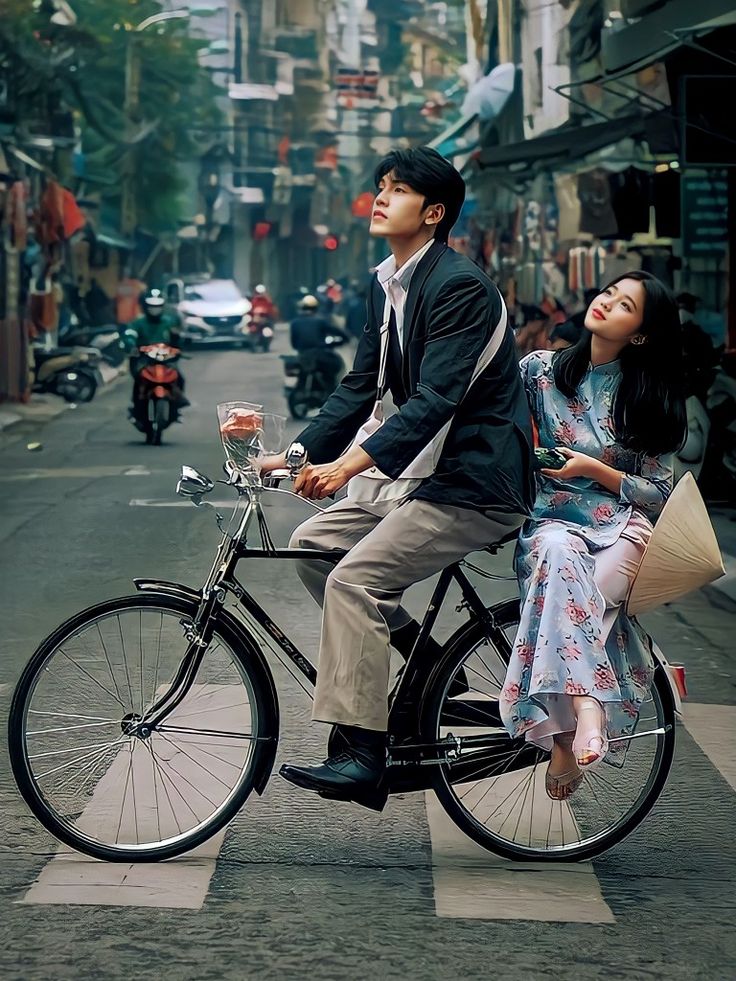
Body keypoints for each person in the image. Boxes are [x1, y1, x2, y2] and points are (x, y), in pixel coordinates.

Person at [260, 145, 535, 807]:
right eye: (382, 186)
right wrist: (295, 456)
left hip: (474, 482)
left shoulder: (458, 285)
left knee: (355, 579)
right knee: (316, 549)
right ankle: (433, 666)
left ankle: (363, 752)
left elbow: (435, 398)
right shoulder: (391, 283)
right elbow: (359, 387)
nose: (382, 197)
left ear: (433, 212)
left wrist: (348, 464)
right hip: (424, 476)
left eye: (399, 189)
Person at [500, 271, 687, 801]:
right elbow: (497, 426)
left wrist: (594, 469)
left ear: (642, 334)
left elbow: (658, 492)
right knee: (558, 560)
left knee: (559, 600)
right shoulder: (539, 373)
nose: (607, 302)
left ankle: (570, 730)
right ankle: (585, 714)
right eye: (608, 292)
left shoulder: (644, 395)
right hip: (552, 526)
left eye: (624, 304)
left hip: (619, 531)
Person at [126, 288, 187, 424]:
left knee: (180, 378)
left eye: (157, 306)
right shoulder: (138, 323)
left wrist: (179, 346)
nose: (155, 309)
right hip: (144, 360)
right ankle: (136, 408)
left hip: (166, 360)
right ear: (146, 306)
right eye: (152, 306)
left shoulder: (169, 322)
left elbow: (177, 337)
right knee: (138, 382)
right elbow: (130, 335)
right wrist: (131, 345)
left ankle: (176, 407)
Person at [289, 294, 347, 393]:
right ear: (316, 308)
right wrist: (345, 338)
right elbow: (338, 333)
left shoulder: (294, 323)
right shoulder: (321, 321)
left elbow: (294, 344)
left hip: (302, 356)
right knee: (335, 366)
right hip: (320, 356)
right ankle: (332, 392)